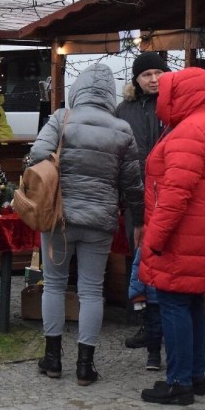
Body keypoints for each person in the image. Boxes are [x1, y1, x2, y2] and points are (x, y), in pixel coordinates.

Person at [30, 64, 144, 386]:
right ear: (109, 94)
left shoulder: (60, 118)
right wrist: (139, 219)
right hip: (99, 220)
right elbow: (133, 184)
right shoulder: (122, 129)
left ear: (77, 89)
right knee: (92, 290)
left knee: (53, 284)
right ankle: (85, 366)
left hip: (58, 217)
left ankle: (52, 359)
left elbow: (37, 154)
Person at [138, 67, 205, 406]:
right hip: (203, 232)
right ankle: (195, 376)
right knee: (192, 302)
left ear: (179, 94)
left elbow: (175, 195)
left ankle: (178, 382)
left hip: (182, 235)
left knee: (174, 303)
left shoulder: (187, 132)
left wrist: (154, 239)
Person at [115, 52, 171, 370]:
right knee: (136, 259)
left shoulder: (173, 105)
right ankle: (143, 323)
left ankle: (161, 325)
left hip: (165, 193)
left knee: (162, 261)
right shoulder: (124, 110)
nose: (153, 79)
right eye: (147, 74)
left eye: (157, 72)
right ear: (136, 79)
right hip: (135, 194)